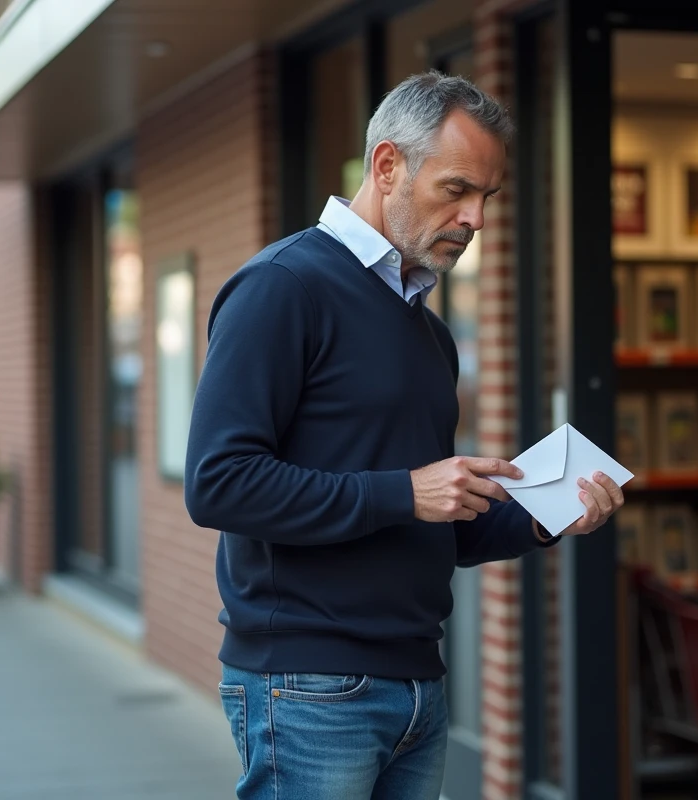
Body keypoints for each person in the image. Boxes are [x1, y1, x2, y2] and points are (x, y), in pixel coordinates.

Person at [184, 71, 626, 800]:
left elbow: (433, 524)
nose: (477, 218)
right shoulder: (281, 287)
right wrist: (405, 492)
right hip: (308, 686)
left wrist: (549, 516)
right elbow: (219, 483)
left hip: (418, 685)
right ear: (387, 166)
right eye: (457, 190)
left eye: (488, 196)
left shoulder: (429, 332)